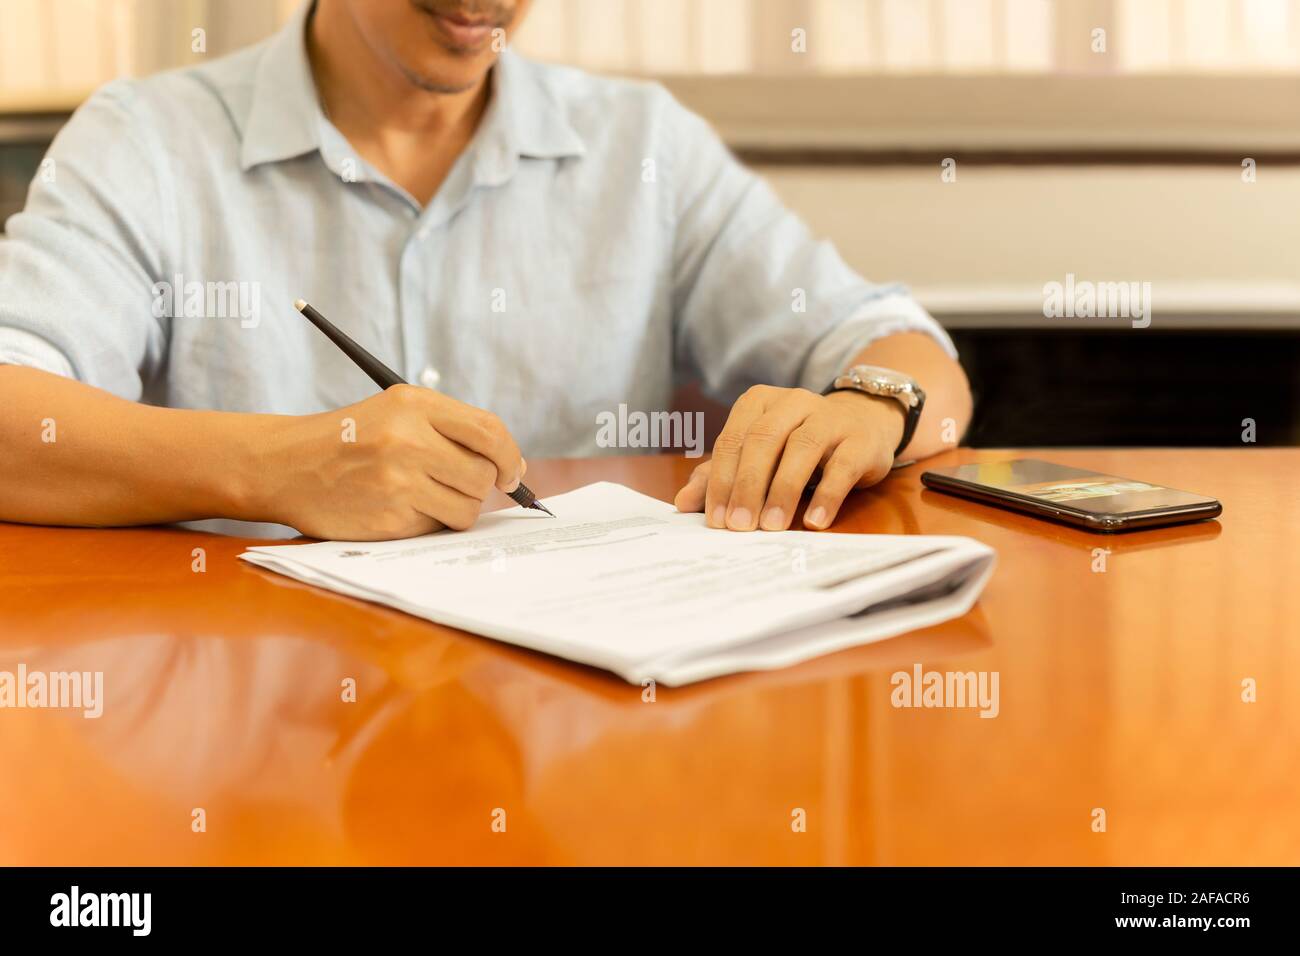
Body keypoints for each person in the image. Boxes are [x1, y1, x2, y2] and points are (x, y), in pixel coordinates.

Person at [0, 0, 971, 540]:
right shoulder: (148, 140)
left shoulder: (642, 144)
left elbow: (906, 353)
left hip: (562, 721)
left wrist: (867, 404)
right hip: (256, 713)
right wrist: (275, 466)